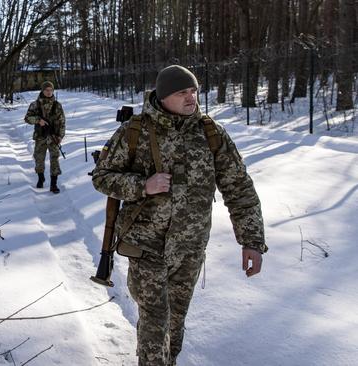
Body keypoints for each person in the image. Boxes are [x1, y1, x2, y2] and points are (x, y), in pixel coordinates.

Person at [92, 65, 268, 365]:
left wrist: (251, 240)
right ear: (163, 97)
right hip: (146, 245)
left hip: (190, 249)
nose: (191, 98)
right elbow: (102, 177)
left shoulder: (211, 133)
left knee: (175, 321)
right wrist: (142, 185)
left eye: (193, 91)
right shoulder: (135, 131)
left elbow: (239, 188)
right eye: (181, 92)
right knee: (155, 320)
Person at [24, 81, 66, 193]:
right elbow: (27, 118)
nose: (48, 92)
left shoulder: (57, 105)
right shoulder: (35, 104)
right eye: (46, 90)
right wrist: (38, 120)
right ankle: (40, 178)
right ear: (42, 91)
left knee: (54, 160)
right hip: (40, 136)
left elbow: (62, 122)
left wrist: (60, 136)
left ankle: (54, 184)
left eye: (50, 90)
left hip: (53, 137)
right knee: (39, 158)